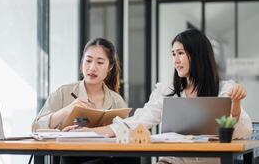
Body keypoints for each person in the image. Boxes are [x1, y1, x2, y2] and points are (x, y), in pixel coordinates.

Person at [64, 29, 253, 164]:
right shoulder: (167, 91)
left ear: (197, 55)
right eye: (173, 54)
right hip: (170, 161)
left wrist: (235, 104)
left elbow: (242, 132)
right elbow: (137, 122)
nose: (175, 60)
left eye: (180, 53)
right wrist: (90, 132)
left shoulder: (224, 90)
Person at [32, 38, 139, 164]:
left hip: (106, 155)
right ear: (82, 62)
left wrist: (108, 132)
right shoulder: (63, 92)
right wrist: (66, 110)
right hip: (71, 156)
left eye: (100, 63)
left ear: (110, 67)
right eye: (88, 61)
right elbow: (36, 127)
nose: (92, 68)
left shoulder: (116, 100)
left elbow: (126, 135)